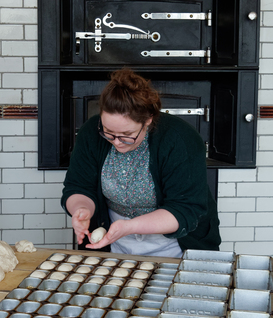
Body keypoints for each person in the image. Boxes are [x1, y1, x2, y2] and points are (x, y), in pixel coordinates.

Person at [61, 68, 220, 257]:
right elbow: (78, 187)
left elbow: (185, 209)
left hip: (176, 245)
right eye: (108, 132)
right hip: (114, 241)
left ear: (147, 120)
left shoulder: (180, 139)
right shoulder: (91, 133)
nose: (116, 142)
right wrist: (81, 209)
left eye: (127, 135)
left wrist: (129, 227)